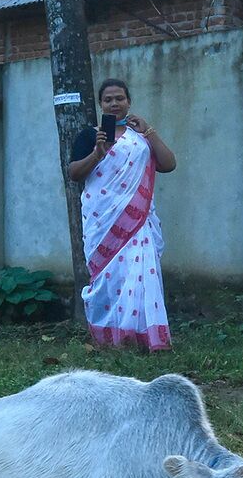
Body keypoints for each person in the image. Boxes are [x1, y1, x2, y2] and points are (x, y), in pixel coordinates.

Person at [68, 78, 177, 350]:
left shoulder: (140, 137)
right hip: (102, 220)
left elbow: (168, 164)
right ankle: (110, 337)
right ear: (100, 104)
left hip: (138, 221)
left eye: (120, 98)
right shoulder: (90, 136)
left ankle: (145, 337)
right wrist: (97, 154)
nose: (115, 103)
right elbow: (74, 173)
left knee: (141, 275)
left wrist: (149, 132)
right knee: (110, 278)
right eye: (108, 99)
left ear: (129, 101)